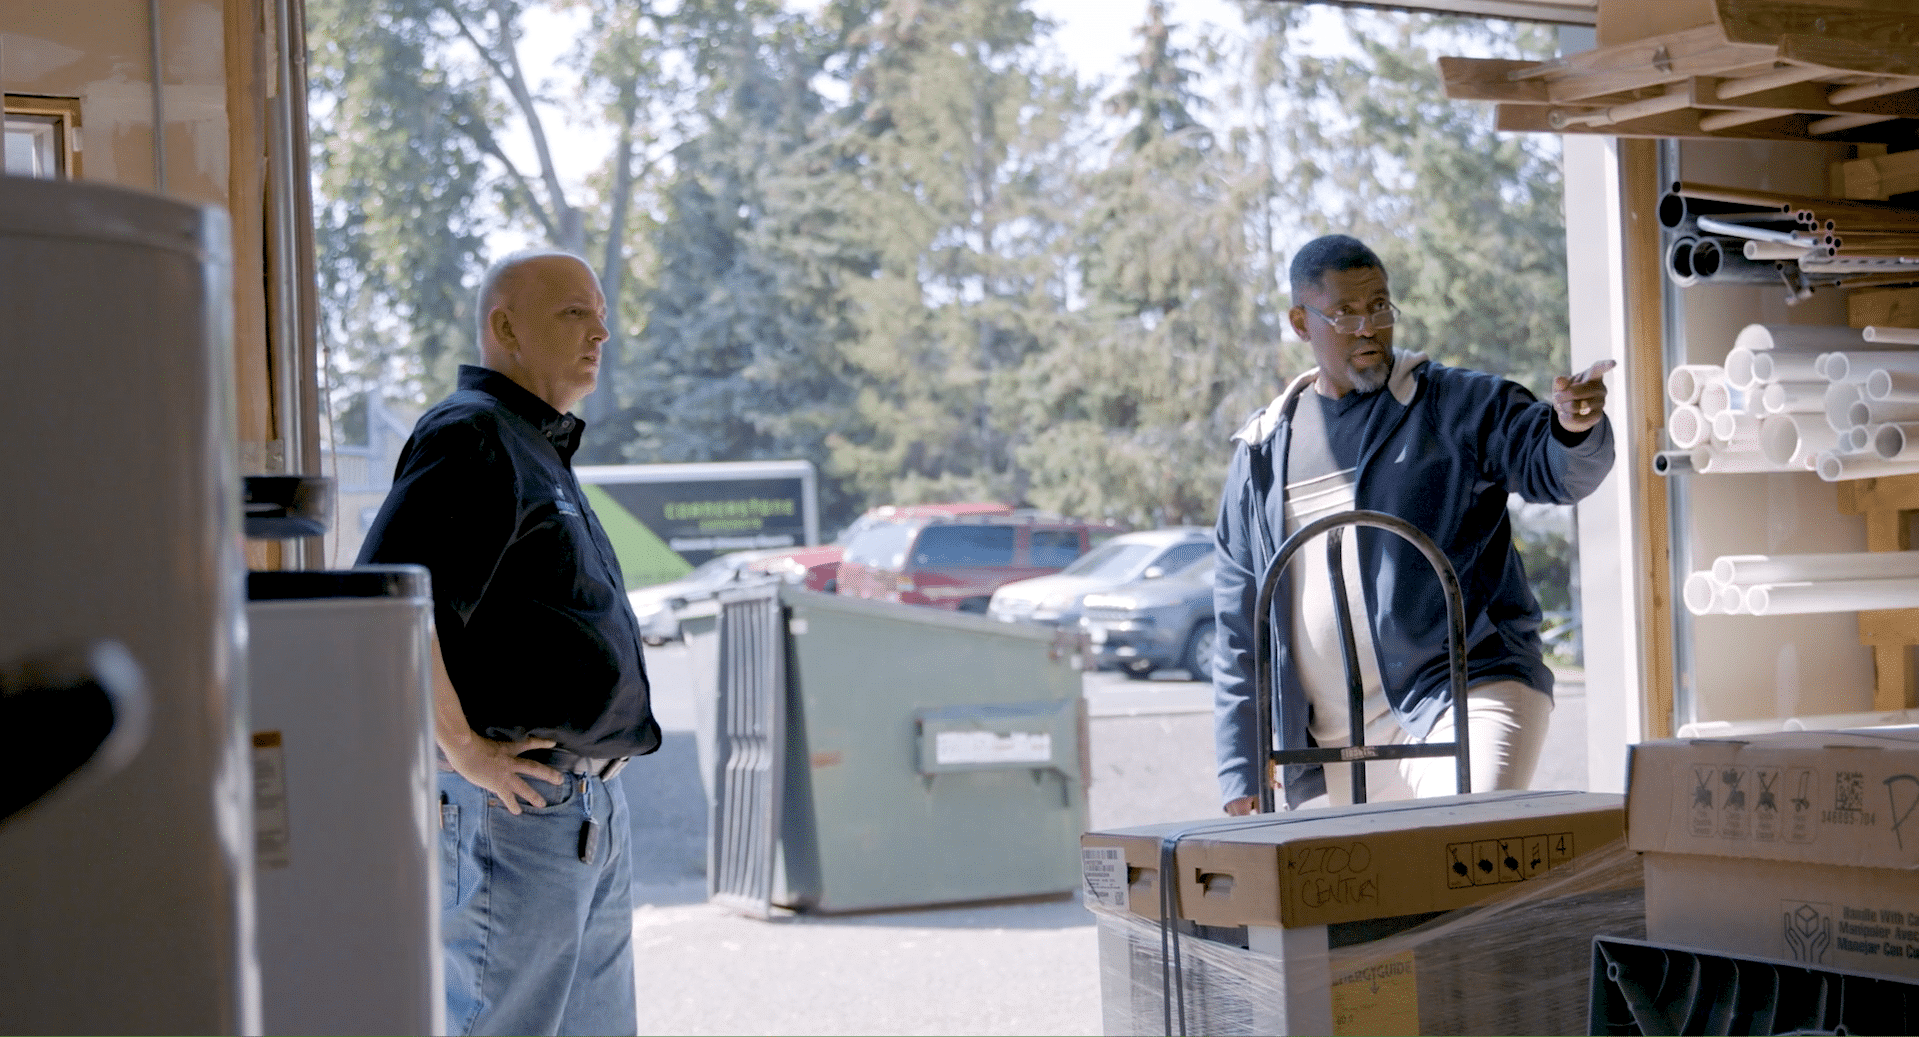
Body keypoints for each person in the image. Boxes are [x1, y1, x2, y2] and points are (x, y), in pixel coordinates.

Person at [358, 249, 660, 1035]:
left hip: (586, 809)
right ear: (505, 328)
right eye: (574, 313)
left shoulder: (535, 444)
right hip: (518, 810)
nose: (601, 332)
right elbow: (389, 601)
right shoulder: (473, 435)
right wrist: (463, 750)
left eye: (601, 315)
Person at [1211, 234, 1614, 814]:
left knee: (1465, 840)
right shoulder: (1262, 452)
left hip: (1464, 695)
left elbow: (1553, 469)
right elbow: (1238, 620)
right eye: (1345, 313)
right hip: (1339, 744)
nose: (1368, 328)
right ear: (1301, 323)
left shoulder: (1454, 405)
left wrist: (1573, 430)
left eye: (1379, 306)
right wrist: (1240, 767)